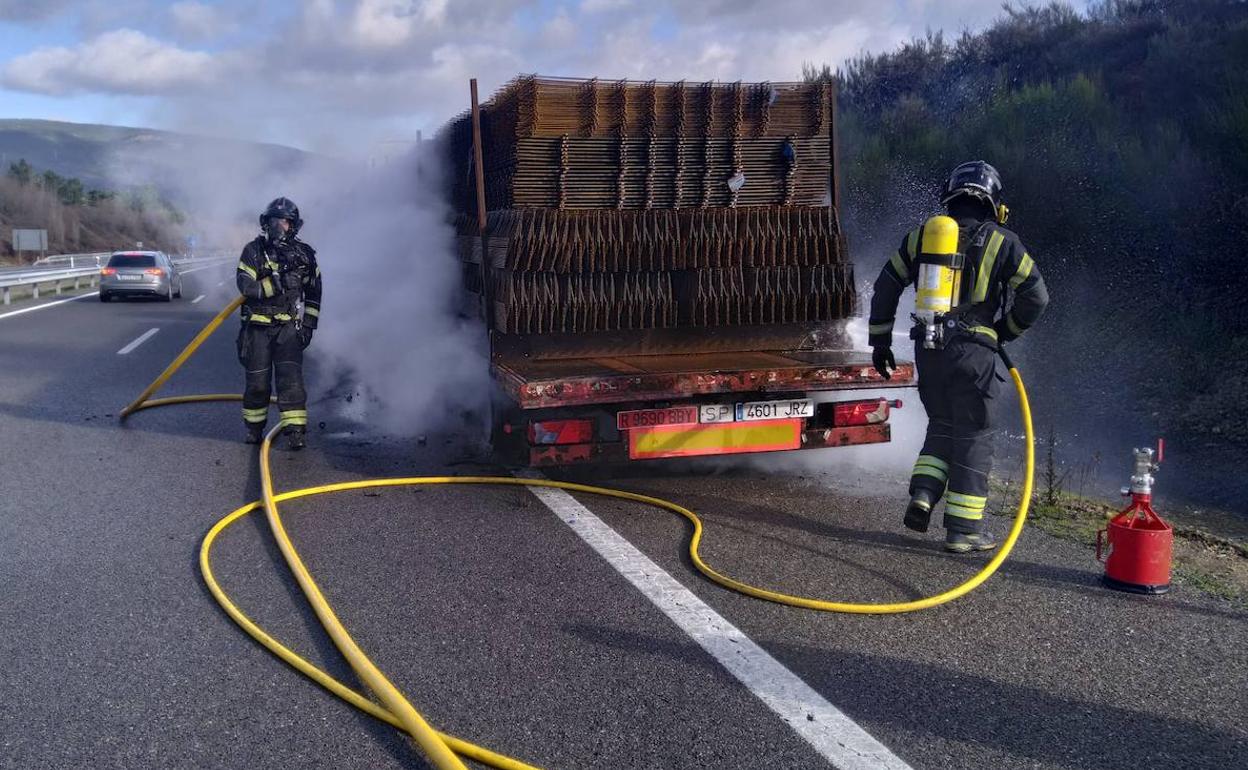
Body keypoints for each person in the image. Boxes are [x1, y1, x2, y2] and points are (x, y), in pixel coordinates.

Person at [868, 161, 1048, 553]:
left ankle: (923, 495)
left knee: (942, 425)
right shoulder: (1005, 242)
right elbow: (1037, 297)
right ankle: (964, 531)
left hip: (929, 350)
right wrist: (1004, 332)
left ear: (951, 197)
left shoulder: (921, 238)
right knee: (973, 435)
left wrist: (880, 342)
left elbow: (886, 286)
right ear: (993, 204)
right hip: (975, 355)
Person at [235, 197, 322, 449]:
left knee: (291, 383)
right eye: (275, 220)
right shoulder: (253, 251)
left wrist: (308, 326)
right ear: (266, 222)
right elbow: (245, 285)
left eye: (285, 221)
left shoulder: (305, 256)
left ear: (293, 225)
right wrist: (275, 284)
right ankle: (254, 429)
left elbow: (314, 294)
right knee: (258, 384)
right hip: (257, 330)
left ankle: (295, 432)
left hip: (288, 331)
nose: (279, 226)